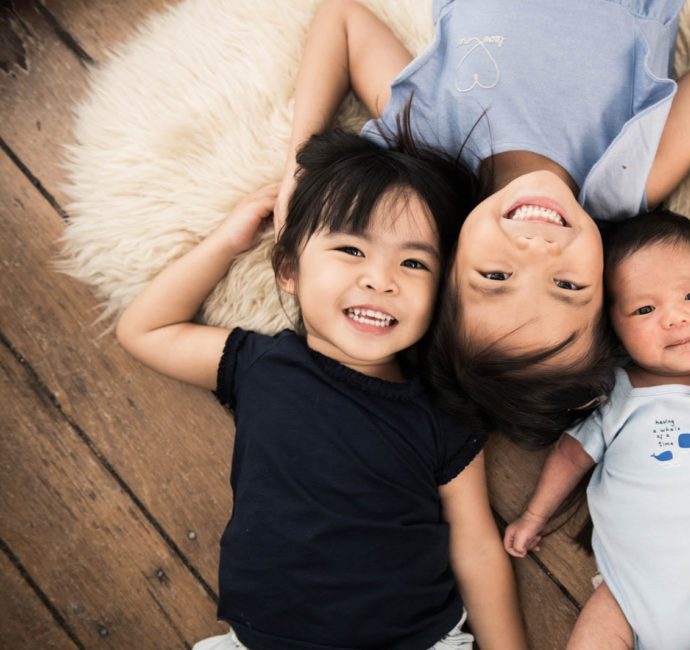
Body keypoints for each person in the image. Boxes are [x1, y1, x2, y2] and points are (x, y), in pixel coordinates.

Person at [276, 0, 690, 447]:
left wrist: (297, 172)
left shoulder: (430, 136)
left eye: (495, 277)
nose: (539, 249)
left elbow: (340, 19)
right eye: (568, 284)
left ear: (448, 263)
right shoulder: (627, 173)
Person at [116, 129, 526, 650]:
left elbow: (476, 548)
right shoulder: (263, 366)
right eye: (351, 249)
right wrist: (225, 242)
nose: (380, 280)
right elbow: (145, 331)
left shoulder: (443, 413)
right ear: (288, 269)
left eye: (414, 262)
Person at [503, 210, 690, 649]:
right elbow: (570, 455)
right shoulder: (614, 395)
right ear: (615, 330)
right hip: (626, 595)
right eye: (644, 308)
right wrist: (534, 515)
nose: (675, 318)